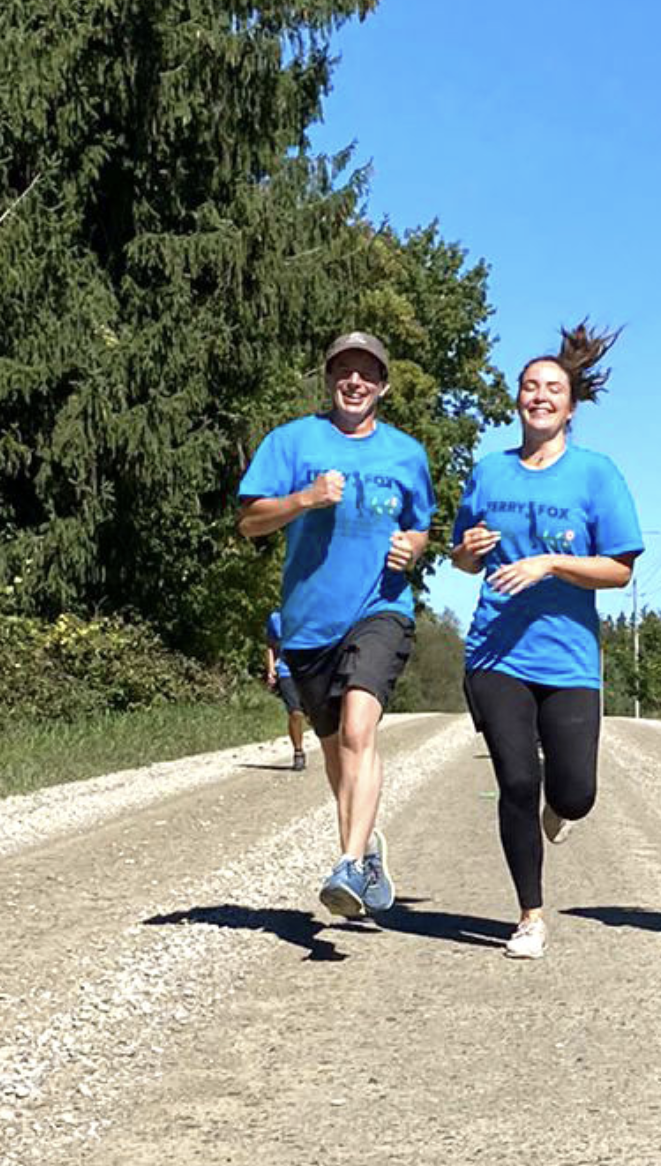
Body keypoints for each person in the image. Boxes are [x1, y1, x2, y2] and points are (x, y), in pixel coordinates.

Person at [451, 322, 642, 960]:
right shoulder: (488, 473)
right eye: (530, 387)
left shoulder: (596, 475)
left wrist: (552, 565)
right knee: (514, 781)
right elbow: (461, 558)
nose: (540, 396)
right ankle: (530, 915)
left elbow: (618, 570)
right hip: (495, 654)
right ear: (517, 399)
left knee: (575, 794)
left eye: (552, 388)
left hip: (569, 658)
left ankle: (560, 815)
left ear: (571, 404)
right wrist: (468, 552)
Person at [238, 331, 435, 919]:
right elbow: (249, 522)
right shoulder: (292, 441)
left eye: (367, 374)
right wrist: (304, 499)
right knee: (334, 750)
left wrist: (413, 548)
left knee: (358, 730)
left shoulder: (407, 453)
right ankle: (366, 846)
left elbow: (421, 526)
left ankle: (348, 863)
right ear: (329, 380)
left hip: (381, 608)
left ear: (383, 386)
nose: (355, 382)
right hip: (308, 623)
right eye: (344, 371)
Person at [264, 608, 306, 770]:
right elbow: (270, 645)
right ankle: (298, 752)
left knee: (314, 713)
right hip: (286, 670)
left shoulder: (307, 611)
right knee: (295, 712)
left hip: (307, 670)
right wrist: (270, 670)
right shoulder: (275, 617)